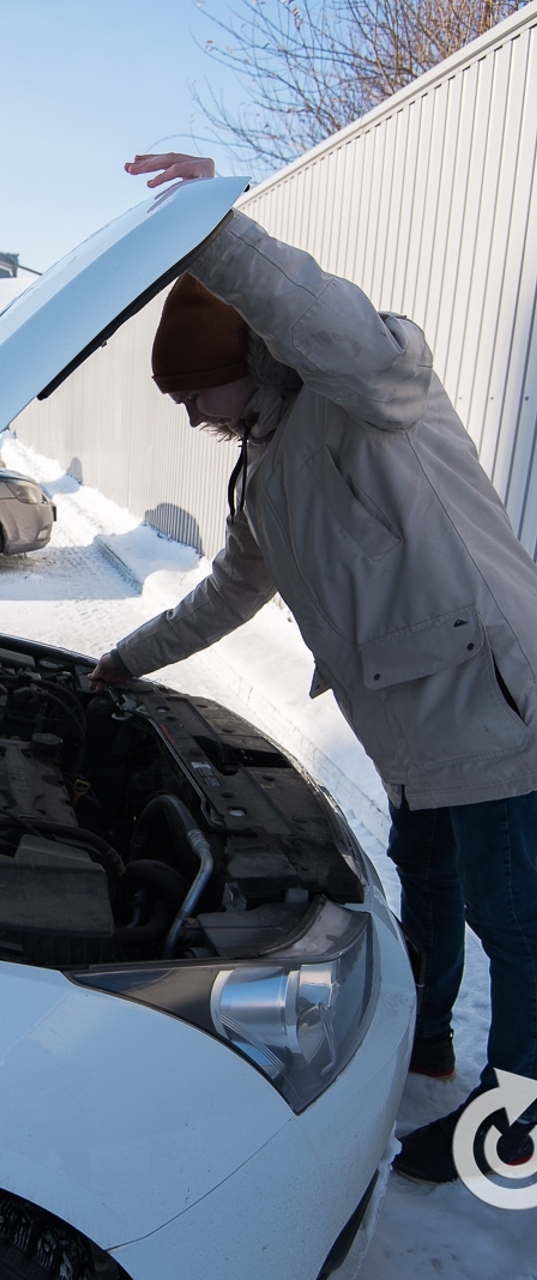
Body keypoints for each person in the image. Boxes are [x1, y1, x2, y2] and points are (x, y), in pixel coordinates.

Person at [89, 153, 537, 1184]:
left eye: (187, 387)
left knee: (515, 918)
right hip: (412, 729)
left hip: (489, 699)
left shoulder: (362, 396)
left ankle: (513, 1126)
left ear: (240, 356)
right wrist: (124, 657)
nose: (183, 409)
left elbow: (324, 323)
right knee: (424, 880)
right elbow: (227, 592)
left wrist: (215, 235)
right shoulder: (262, 464)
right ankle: (422, 1037)